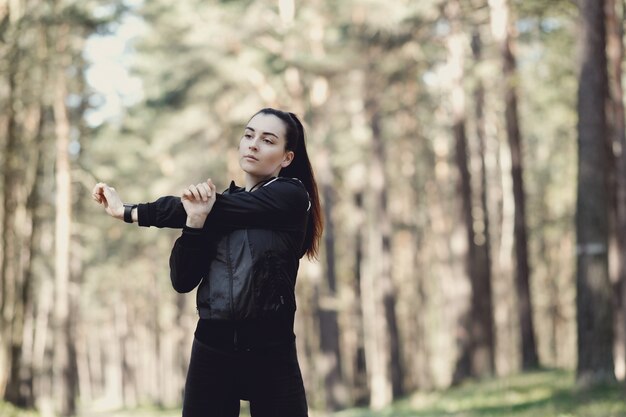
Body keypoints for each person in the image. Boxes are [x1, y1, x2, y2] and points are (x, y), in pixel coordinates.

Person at [92, 108, 322, 417]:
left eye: (268, 140)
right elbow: (182, 280)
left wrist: (131, 212)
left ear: (286, 158)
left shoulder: (291, 197)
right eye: (249, 135)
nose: (253, 144)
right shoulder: (216, 209)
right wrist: (195, 224)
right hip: (213, 347)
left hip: (271, 349)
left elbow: (210, 206)